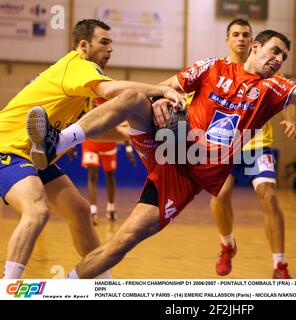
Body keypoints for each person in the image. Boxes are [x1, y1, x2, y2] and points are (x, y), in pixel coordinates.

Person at [26, 29, 296, 279]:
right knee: (134, 99)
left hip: (188, 175)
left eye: (284, 56)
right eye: (274, 51)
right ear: (256, 47)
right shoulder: (213, 67)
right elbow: (166, 86)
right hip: (170, 143)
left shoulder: (275, 89)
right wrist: (160, 98)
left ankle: (64, 289)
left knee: (123, 241)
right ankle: (58, 142)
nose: (278, 60)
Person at [0, 19, 183, 279]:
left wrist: (132, 136)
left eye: (112, 43)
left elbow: (98, 127)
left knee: (80, 211)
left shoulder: (83, 86)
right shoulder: (77, 65)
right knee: (37, 210)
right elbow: (112, 91)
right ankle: (8, 286)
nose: (110, 49)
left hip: (36, 158)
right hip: (7, 148)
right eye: (104, 42)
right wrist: (162, 89)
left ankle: (100, 282)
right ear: (84, 45)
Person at [209, 19, 296, 279]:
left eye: (246, 34)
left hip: (257, 144)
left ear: (254, 41)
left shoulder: (266, 68)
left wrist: (289, 119)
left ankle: (280, 265)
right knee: (220, 196)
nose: (241, 39)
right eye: (235, 34)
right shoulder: (218, 69)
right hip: (225, 144)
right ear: (227, 39)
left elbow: (287, 95)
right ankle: (227, 244)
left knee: (268, 196)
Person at [81, 98, 137, 225]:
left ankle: (111, 208)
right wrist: (71, 145)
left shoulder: (110, 98)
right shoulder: (86, 97)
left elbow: (124, 124)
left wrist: (128, 148)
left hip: (109, 141)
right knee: (92, 175)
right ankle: (93, 210)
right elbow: (78, 119)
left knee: (110, 176)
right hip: (91, 141)